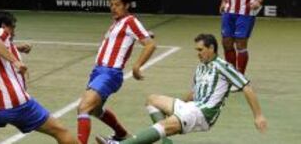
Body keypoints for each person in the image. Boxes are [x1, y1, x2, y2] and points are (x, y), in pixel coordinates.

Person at [95, 33, 267, 144]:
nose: (198, 53)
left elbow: (247, 87)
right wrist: (177, 107)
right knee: (152, 100)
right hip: (191, 108)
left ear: (212, 48)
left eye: (201, 50)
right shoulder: (200, 67)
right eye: (196, 50)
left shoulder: (222, 66)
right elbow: (194, 93)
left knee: (165, 125)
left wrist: (258, 115)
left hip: (203, 114)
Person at [0, 11, 79, 144]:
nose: (14, 32)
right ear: (4, 26)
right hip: (17, 104)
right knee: (60, 131)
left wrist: (16, 48)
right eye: (13, 28)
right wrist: (15, 61)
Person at [77, 0, 157, 144]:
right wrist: (145, 33)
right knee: (95, 110)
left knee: (83, 108)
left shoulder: (129, 21)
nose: (113, 8)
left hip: (109, 73)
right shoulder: (117, 23)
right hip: (98, 72)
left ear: (127, 5)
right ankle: (121, 135)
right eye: (111, 5)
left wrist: (137, 66)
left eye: (118, 5)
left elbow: (150, 44)